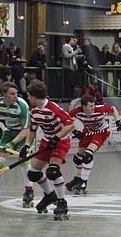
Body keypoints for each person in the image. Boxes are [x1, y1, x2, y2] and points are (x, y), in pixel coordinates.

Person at [10, 80, 76, 220]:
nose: (28, 98)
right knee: (33, 174)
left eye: (29, 96)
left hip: (61, 142)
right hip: (47, 142)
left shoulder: (52, 108)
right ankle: (50, 195)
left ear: (34, 96)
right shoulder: (34, 111)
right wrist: (26, 146)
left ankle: (62, 202)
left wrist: (56, 138)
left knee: (52, 171)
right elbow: (32, 130)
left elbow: (70, 125)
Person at [65, 93, 121, 196]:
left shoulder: (99, 109)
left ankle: (84, 182)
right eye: (90, 106)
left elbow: (113, 109)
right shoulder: (77, 111)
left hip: (101, 132)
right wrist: (75, 132)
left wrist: (118, 122)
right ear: (83, 106)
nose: (93, 108)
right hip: (88, 131)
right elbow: (67, 120)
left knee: (88, 155)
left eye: (94, 105)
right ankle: (77, 178)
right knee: (77, 158)